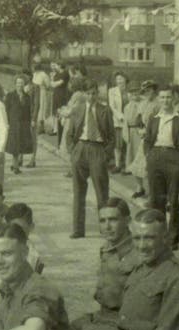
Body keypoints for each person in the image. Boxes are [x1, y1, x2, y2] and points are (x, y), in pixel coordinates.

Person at [72, 198, 139, 330]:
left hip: (122, 323)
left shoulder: (138, 254)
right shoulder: (106, 249)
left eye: (113, 220)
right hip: (101, 316)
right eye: (102, 221)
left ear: (127, 221)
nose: (107, 226)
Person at [66, 79, 115, 239]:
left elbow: (111, 136)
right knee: (78, 192)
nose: (91, 96)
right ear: (84, 94)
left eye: (94, 93)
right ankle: (78, 230)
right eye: (88, 93)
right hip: (81, 148)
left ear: (97, 93)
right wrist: (73, 152)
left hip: (97, 149)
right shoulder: (78, 109)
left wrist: (106, 154)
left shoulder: (105, 110)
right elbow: (70, 133)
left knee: (101, 192)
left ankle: (105, 228)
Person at [143, 84, 179, 249]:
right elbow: (148, 140)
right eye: (163, 97)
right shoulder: (154, 117)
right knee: (156, 199)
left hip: (174, 158)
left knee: (173, 200)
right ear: (159, 99)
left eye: (169, 97)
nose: (166, 100)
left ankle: (173, 237)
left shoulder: (178, 118)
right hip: (155, 157)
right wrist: (149, 156)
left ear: (174, 98)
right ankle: (158, 235)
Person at [131, 80, 159, 199]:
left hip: (157, 138)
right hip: (145, 138)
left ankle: (154, 192)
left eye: (150, 90)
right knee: (138, 164)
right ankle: (140, 188)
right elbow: (138, 120)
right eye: (145, 91)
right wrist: (139, 129)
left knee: (152, 166)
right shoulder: (142, 103)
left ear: (154, 90)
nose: (148, 92)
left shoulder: (159, 103)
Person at [5, 76, 33, 174]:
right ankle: (16, 167)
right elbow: (6, 110)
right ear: (15, 84)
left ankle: (14, 164)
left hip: (23, 124)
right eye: (18, 83)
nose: (20, 85)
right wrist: (7, 123)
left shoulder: (27, 97)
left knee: (20, 145)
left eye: (21, 83)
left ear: (24, 84)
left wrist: (29, 123)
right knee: (15, 146)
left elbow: (29, 111)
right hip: (13, 124)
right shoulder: (10, 96)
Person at [5, 203, 44, 273]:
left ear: (31, 227)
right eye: (13, 227)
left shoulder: (32, 256)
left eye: (21, 229)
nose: (16, 232)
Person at [108, 72, 128, 174]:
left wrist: (128, 118)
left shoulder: (129, 90)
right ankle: (117, 164)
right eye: (117, 79)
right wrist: (120, 116)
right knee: (118, 144)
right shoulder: (112, 91)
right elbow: (112, 106)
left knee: (127, 143)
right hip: (118, 121)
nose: (119, 81)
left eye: (121, 78)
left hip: (129, 121)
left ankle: (127, 165)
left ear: (125, 79)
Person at [123, 86, 142, 178]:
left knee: (138, 150)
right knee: (130, 150)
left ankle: (139, 169)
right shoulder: (127, 106)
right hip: (130, 130)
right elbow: (126, 120)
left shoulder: (141, 104)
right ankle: (130, 168)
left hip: (138, 129)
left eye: (136, 92)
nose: (134, 95)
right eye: (132, 93)